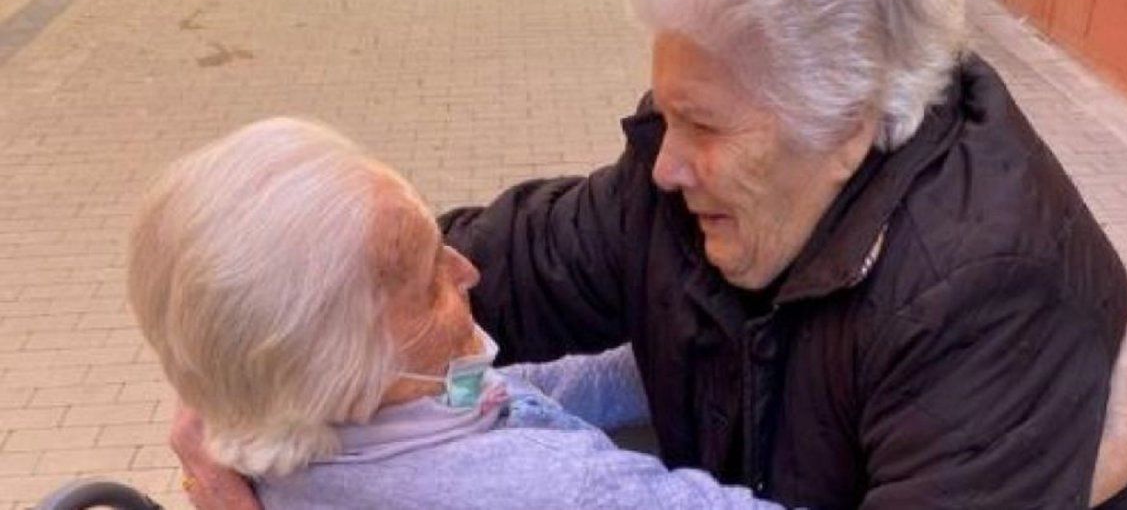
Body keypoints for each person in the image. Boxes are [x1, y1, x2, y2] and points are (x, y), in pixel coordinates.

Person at [171, 0, 1127, 508]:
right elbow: (487, 267)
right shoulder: (685, 187)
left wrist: (1079, 488)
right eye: (664, 113)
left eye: (701, 123)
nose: (662, 164)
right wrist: (249, 370)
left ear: (844, 121)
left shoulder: (977, 285)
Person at [129, 118, 794, 509]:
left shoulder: (321, 418)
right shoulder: (557, 492)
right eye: (428, 281)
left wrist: (697, 344)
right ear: (343, 364)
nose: (467, 270)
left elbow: (524, 390)